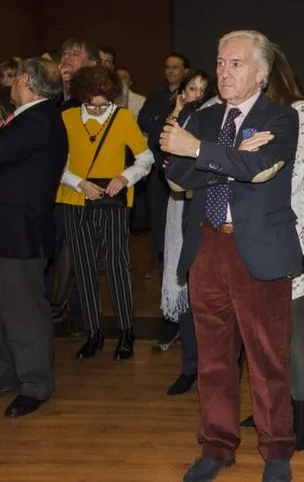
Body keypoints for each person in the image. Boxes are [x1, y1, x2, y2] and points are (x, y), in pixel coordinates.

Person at [162, 30, 299, 482]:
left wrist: (201, 153)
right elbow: (176, 180)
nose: (224, 72)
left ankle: (276, 451)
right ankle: (217, 446)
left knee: (267, 359)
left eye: (236, 64)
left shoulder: (280, 117)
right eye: (220, 63)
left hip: (257, 250)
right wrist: (228, 157)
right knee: (214, 358)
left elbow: (261, 171)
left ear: (261, 73)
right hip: (207, 248)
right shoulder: (203, 118)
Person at [240, 44, 304, 450]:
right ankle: (272, 406)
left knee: (291, 326)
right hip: (253, 231)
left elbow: (301, 172)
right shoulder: (247, 114)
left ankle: (302, 412)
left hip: (291, 230)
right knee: (260, 328)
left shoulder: (300, 111)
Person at [58, 66, 154, 361]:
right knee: (84, 267)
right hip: (74, 199)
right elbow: (55, 163)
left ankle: (126, 332)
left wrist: (124, 177)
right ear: (82, 98)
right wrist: (79, 183)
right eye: (92, 105)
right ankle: (93, 332)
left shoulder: (122, 118)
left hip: (113, 201)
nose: (99, 110)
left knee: (116, 265)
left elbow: (145, 158)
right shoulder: (66, 118)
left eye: (104, 105)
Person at [0, 58, 67, 418]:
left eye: (14, 78)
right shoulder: (34, 119)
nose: (8, 83)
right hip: (11, 230)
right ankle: (8, 373)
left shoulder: (37, 121)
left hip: (20, 233)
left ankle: (36, 384)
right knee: (7, 309)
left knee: (24, 312)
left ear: (25, 80)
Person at [158, 69, 215, 395]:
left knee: (211, 296)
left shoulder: (217, 120)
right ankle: (190, 365)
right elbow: (166, 163)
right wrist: (177, 115)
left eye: (202, 89)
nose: (197, 94)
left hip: (210, 211)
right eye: (191, 88)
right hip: (181, 209)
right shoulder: (180, 120)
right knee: (187, 288)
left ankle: (216, 368)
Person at [139, 52, 190, 277]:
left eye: (175, 67)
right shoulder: (155, 95)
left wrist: (159, 120)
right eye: (167, 67)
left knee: (183, 212)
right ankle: (157, 257)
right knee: (157, 211)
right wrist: (165, 122)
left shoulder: (189, 94)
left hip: (183, 164)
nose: (170, 71)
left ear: (185, 71)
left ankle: (182, 259)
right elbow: (143, 120)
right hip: (158, 163)